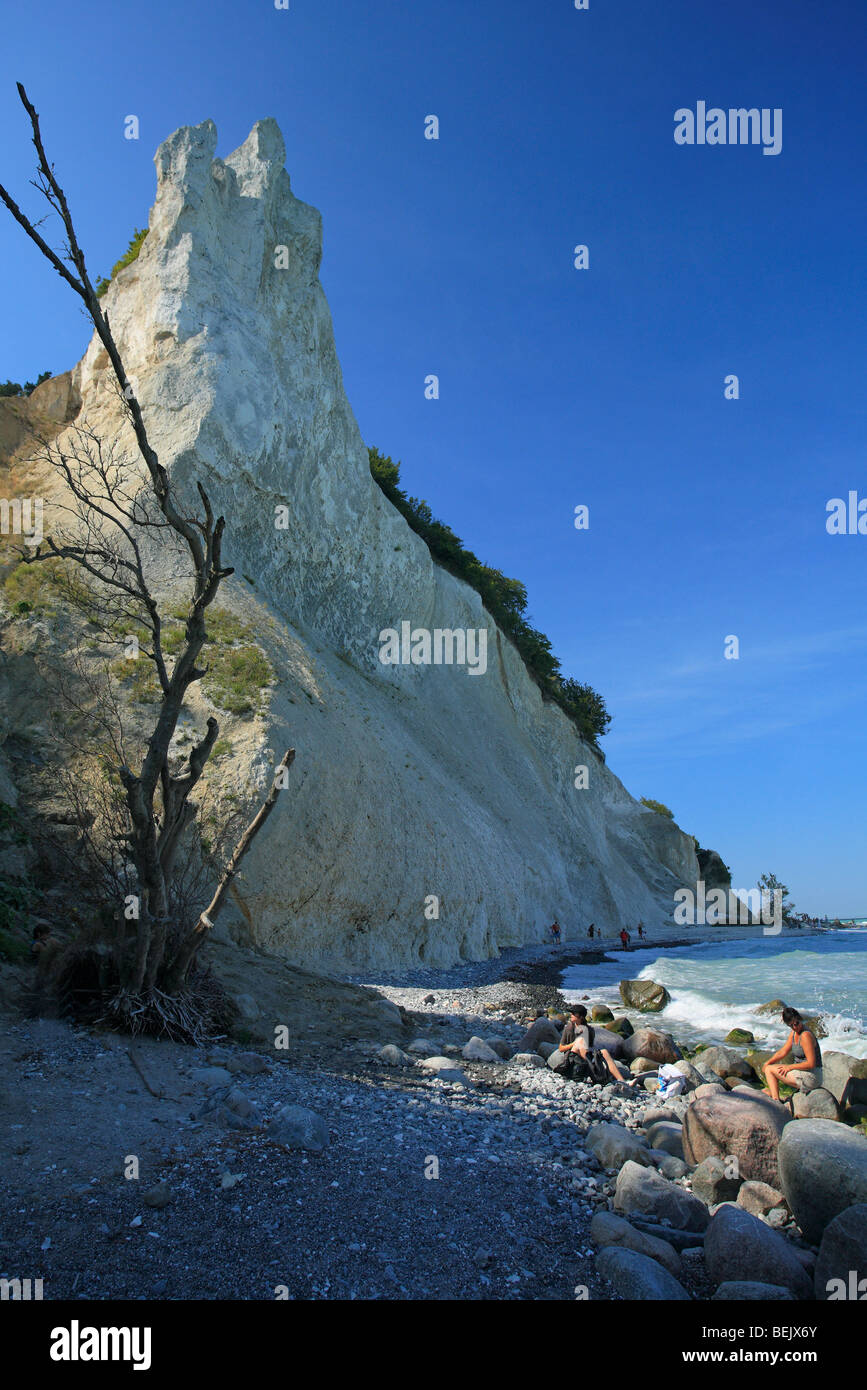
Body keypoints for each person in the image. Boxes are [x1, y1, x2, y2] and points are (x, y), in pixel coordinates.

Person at [557, 1005, 635, 1086]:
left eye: (574, 1013)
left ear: (581, 1017)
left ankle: (622, 1081)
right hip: (572, 1059)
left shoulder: (589, 1030)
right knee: (580, 1041)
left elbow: (590, 1047)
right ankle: (595, 1072)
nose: (571, 1015)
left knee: (604, 1052)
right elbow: (561, 1048)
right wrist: (574, 1044)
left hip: (585, 1058)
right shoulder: (569, 1028)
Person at [763, 1007, 823, 1101]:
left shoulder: (805, 1035)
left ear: (799, 1019)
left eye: (796, 1023)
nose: (795, 1027)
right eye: (791, 1025)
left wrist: (789, 1067)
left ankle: (776, 1101)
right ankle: (776, 1097)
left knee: (769, 1070)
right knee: (768, 1067)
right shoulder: (794, 1033)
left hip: (812, 1076)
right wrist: (768, 1062)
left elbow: (811, 1063)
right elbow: (783, 1051)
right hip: (802, 1072)